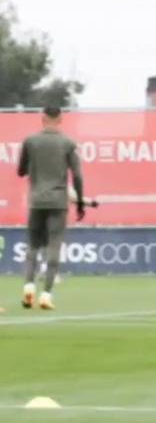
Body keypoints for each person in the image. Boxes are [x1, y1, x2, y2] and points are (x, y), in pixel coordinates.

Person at [16, 106, 85, 310]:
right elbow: (78, 176)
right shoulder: (68, 143)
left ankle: (29, 287)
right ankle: (46, 295)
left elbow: (20, 171)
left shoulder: (30, 141)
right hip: (58, 201)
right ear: (60, 119)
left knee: (33, 245)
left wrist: (35, 167)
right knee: (54, 246)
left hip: (37, 200)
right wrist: (80, 201)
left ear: (42, 118)